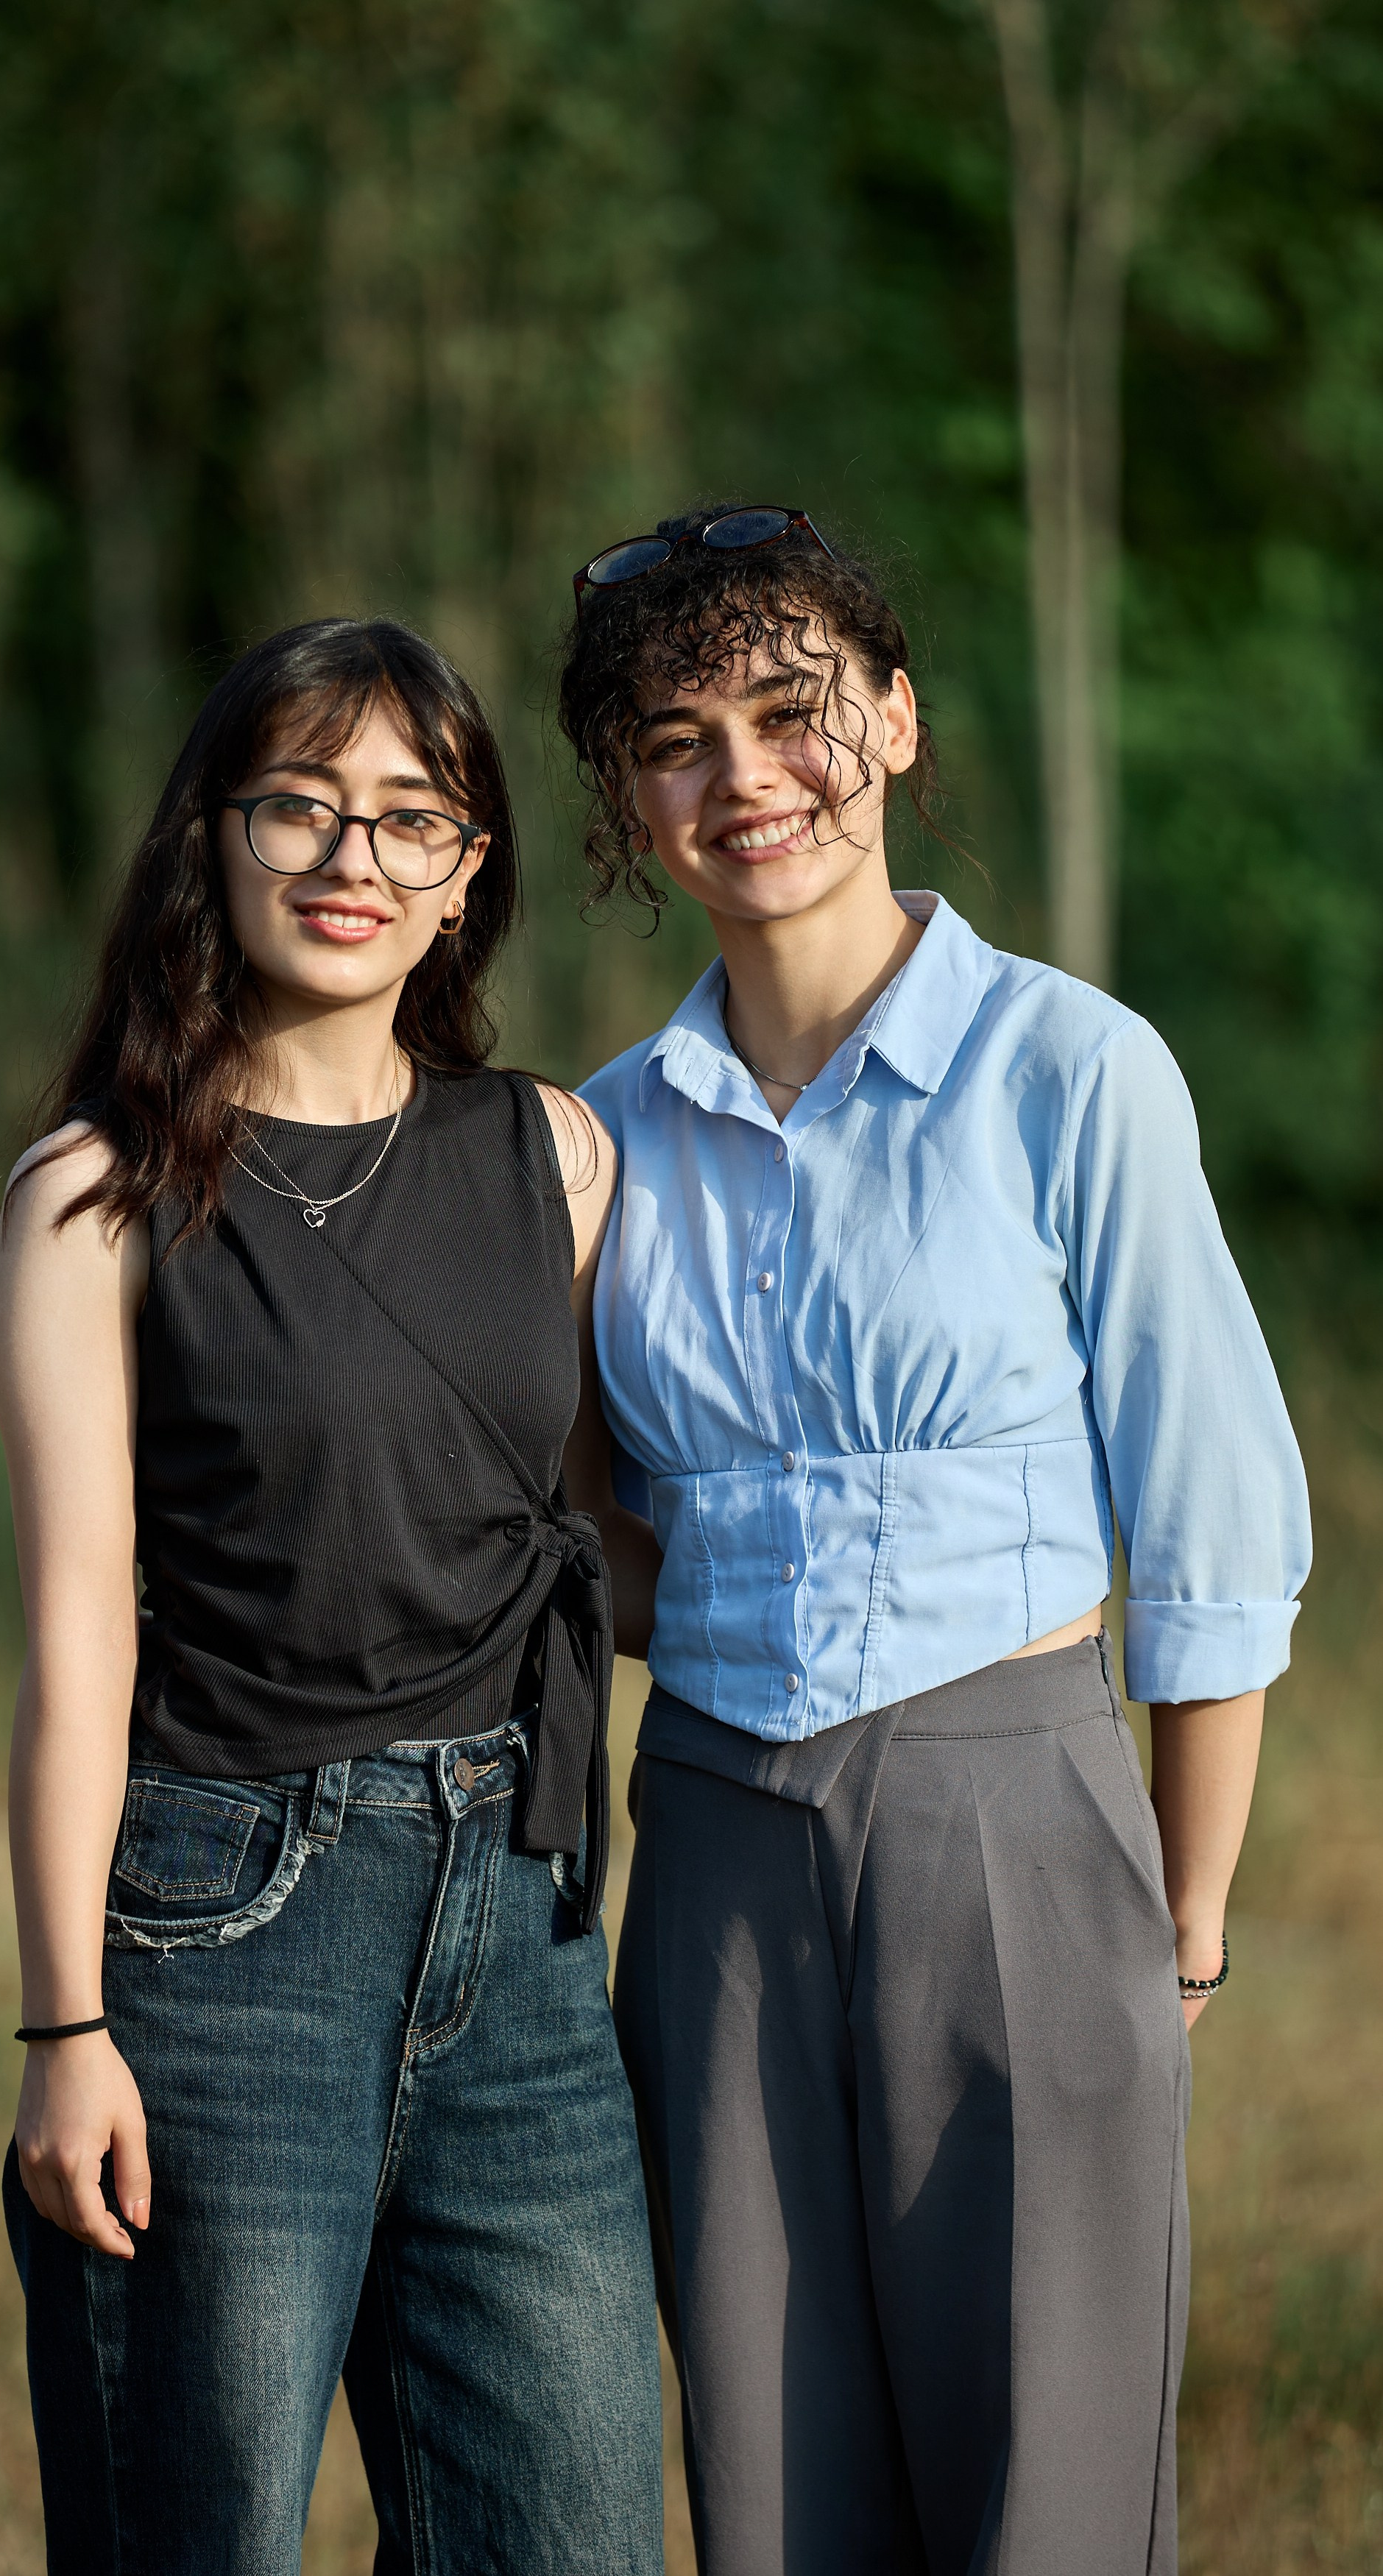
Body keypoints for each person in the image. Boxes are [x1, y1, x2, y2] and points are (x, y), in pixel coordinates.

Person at [558, 505, 1312, 2576]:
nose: (745, 777)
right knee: (775, 2479)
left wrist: (1184, 1916)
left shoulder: (1071, 1068)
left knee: (1045, 2485)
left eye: (790, 710)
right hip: (713, 1850)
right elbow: (607, 1542)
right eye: (678, 740)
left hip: (1023, 1829)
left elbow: (1214, 1519)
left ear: (891, 718)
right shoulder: (605, 1137)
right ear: (631, 798)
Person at [0, 618, 663, 2576]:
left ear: (467, 872)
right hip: (225, 1929)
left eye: (410, 817)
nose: (353, 857)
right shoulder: (97, 1194)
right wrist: (66, 2026)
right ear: (213, 837)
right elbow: (79, 1640)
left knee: (571, 2537)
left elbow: (589, 1544)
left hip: (522, 1928)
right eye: (300, 805)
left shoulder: (557, 1156)